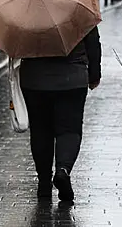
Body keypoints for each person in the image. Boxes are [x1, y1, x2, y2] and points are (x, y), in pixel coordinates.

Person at [20, 23, 101, 202]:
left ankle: (43, 184)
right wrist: (94, 74)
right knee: (69, 129)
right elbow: (93, 40)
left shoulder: (27, 8)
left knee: (40, 130)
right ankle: (63, 170)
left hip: (34, 78)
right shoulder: (77, 5)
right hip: (72, 77)